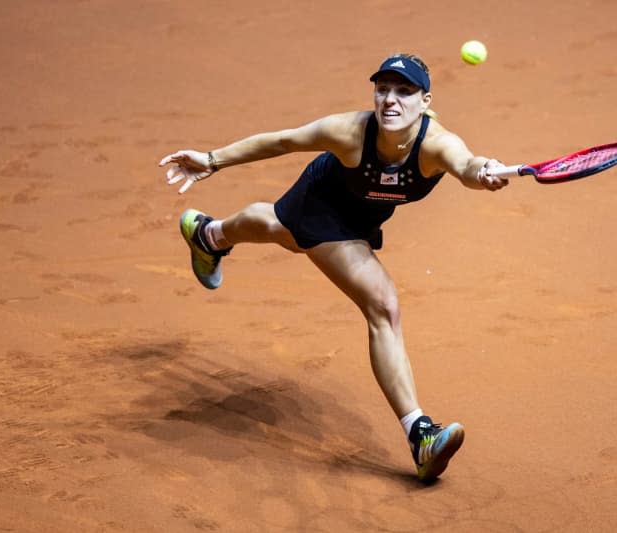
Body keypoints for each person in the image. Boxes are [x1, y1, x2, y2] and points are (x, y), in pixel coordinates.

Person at [159, 53, 509, 483]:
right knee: (382, 305)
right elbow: (284, 140)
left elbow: (467, 166)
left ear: (425, 101)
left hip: (365, 214)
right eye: (382, 89)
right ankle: (419, 434)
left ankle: (208, 235)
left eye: (404, 91)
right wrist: (212, 160)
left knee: (278, 228)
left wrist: (484, 170)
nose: (390, 100)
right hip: (322, 202)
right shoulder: (348, 132)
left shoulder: (437, 144)